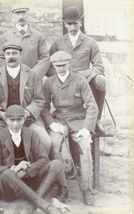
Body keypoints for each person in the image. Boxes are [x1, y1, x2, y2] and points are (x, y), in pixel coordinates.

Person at [0, 105, 69, 214]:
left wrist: (26, 171)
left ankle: (33, 206)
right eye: (12, 120)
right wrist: (15, 169)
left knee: (57, 164)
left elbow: (44, 159)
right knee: (8, 173)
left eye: (19, 120)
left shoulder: (31, 134)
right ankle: (43, 204)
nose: (15, 124)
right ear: (6, 120)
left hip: (29, 183)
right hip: (7, 190)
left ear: (24, 119)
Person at [41, 51, 98, 205]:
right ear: (52, 66)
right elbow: (44, 107)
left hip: (79, 120)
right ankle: (62, 186)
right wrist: (52, 124)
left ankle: (87, 189)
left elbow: (92, 106)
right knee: (53, 143)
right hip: (59, 120)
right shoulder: (49, 82)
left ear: (69, 64)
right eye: (57, 66)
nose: (60, 68)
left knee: (85, 147)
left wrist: (86, 128)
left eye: (63, 65)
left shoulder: (80, 80)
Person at [0, 42, 51, 162]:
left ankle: (36, 171)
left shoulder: (33, 75)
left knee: (45, 141)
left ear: (21, 56)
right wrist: (1, 114)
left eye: (14, 53)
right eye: (7, 54)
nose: (11, 56)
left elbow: (38, 99)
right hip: (1, 119)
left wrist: (27, 113)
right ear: (4, 56)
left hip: (27, 119)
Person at [48, 6, 106, 134]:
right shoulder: (58, 43)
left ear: (80, 22)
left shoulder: (90, 42)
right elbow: (49, 67)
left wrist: (81, 75)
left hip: (85, 81)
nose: (73, 28)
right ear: (65, 23)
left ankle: (96, 120)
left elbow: (99, 67)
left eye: (75, 23)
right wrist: (62, 76)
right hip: (65, 83)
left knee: (101, 81)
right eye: (69, 24)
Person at [0, 4, 50, 79]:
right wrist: (11, 74)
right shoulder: (5, 37)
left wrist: (33, 75)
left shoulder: (38, 36)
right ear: (13, 16)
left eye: (23, 13)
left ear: (28, 14)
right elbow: (0, 58)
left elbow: (44, 58)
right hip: (13, 79)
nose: (21, 16)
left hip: (33, 79)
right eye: (18, 14)